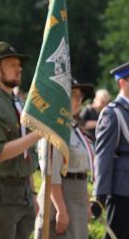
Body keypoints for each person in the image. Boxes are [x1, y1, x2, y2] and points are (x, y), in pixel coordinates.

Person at [0, 41, 41, 239]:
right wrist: (38, 133)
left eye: (19, 64)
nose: (19, 68)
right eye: (12, 64)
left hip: (24, 192)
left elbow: (27, 154)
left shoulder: (18, 102)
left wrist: (33, 193)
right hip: (2, 193)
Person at [94, 59, 129, 239]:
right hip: (122, 188)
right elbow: (103, 155)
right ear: (122, 82)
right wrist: (100, 196)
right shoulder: (112, 112)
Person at [35, 79, 95, 238]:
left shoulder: (74, 128)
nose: (79, 100)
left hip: (77, 194)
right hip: (62, 195)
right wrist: (61, 210)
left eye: (80, 96)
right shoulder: (54, 129)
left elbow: (82, 169)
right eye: (73, 95)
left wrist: (86, 202)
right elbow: (52, 173)